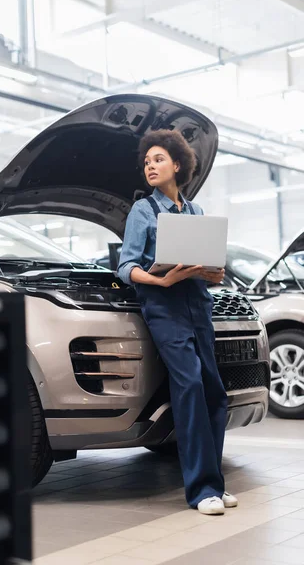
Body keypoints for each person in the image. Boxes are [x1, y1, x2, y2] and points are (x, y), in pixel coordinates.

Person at [117, 129, 238, 516]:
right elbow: (126, 266)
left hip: (198, 307)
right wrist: (160, 280)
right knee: (188, 389)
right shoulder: (143, 212)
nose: (150, 166)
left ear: (178, 165)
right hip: (165, 310)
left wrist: (213, 275)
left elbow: (204, 265)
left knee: (214, 393)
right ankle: (202, 490)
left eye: (158, 159)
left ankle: (213, 481)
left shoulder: (196, 212)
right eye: (147, 161)